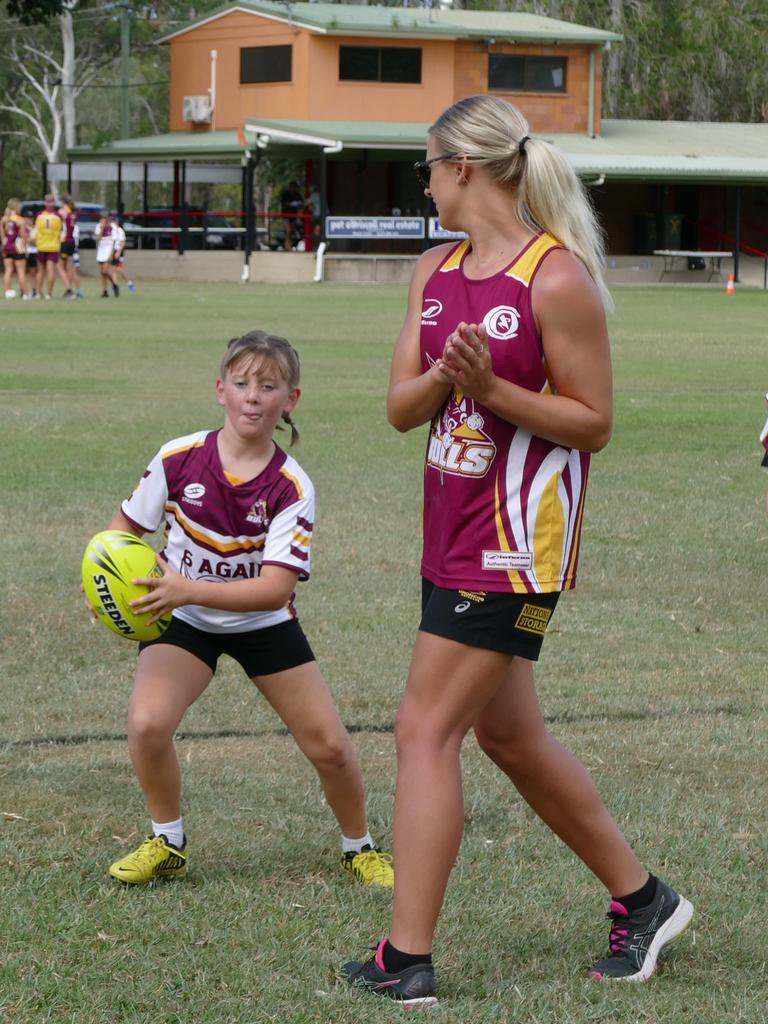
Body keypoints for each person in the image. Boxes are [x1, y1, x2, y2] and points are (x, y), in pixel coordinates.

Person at [342, 95, 693, 1007]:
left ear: (464, 168)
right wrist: (446, 378)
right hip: (449, 529)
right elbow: (399, 409)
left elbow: (595, 422)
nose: (422, 180)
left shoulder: (555, 279)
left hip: (515, 547)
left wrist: (493, 387)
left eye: (427, 163)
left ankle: (406, 957)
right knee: (507, 732)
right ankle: (646, 901)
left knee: (426, 731)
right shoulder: (433, 269)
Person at [92, 330, 394, 889]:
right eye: (242, 383)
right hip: (182, 621)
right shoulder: (178, 457)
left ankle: (360, 847)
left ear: (290, 400)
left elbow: (274, 590)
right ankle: (168, 840)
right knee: (147, 723)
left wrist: (188, 589)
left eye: (269, 385)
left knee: (329, 747)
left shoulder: (290, 485)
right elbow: (123, 531)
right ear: (221, 391)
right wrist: (108, 585)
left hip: (262, 623)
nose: (253, 396)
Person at [34, 193, 68, 299]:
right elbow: (64, 233)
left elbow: (35, 231)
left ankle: (39, 293)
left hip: (42, 246)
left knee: (41, 270)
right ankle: (48, 293)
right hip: (53, 246)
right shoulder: (58, 216)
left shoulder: (39, 215)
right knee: (50, 271)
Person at [1, 197, 29, 299]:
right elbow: (22, 236)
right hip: (18, 248)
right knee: (21, 272)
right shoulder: (20, 220)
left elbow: (3, 236)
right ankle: (25, 294)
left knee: (8, 270)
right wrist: (25, 248)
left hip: (7, 247)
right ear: (16, 207)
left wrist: (4, 246)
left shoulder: (4, 219)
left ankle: (8, 292)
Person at [58, 194, 79, 299]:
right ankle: (71, 290)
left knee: (60, 267)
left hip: (65, 241)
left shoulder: (63, 212)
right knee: (69, 267)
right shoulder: (73, 212)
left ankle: (69, 290)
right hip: (72, 241)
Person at [94, 212, 120, 297]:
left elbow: (114, 241)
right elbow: (98, 238)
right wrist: (102, 228)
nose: (102, 220)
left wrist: (111, 254)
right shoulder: (99, 226)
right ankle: (104, 291)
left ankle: (114, 284)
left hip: (108, 251)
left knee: (105, 271)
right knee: (102, 273)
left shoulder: (113, 227)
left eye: (103, 219)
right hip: (101, 251)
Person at [279, 180, 304, 251]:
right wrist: (292, 204)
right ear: (290, 187)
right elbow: (284, 203)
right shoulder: (285, 194)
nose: (293, 188)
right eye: (292, 187)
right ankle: (287, 245)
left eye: (295, 187)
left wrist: (297, 204)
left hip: (293, 216)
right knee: (288, 230)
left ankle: (289, 245)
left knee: (291, 231)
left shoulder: (297, 194)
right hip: (286, 215)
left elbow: (301, 202)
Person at [23, 212, 40, 298]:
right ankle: (23, 291)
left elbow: (36, 241)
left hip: (33, 252)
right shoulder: (21, 227)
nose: (29, 220)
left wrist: (29, 239)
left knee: (33, 273)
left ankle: (34, 291)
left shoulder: (35, 228)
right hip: (23, 252)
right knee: (22, 273)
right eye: (27, 218)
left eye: (31, 218)